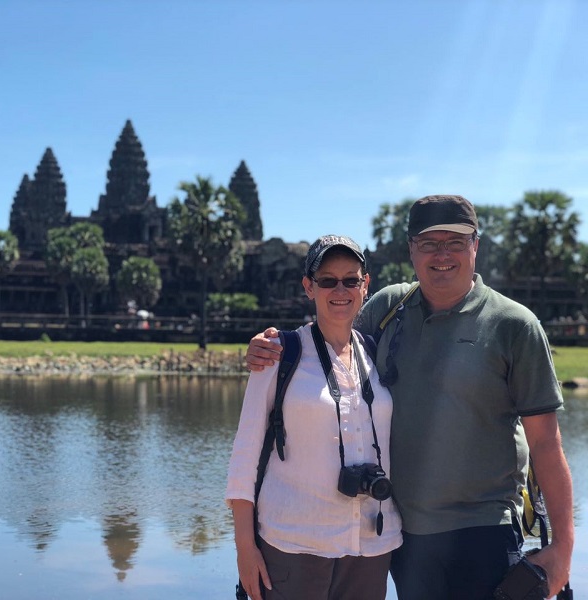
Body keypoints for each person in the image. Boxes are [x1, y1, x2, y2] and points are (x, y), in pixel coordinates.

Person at [245, 195, 574, 599]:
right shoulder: (388, 308)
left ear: (475, 245)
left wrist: (563, 545)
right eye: (428, 243)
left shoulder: (514, 325)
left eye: (455, 242)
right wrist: (270, 345)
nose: (442, 255)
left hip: (484, 528)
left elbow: (546, 442)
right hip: (405, 534)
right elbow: (330, 332)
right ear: (411, 249)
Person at [226, 235, 402, 600]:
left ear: (365, 285)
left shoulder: (375, 354)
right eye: (327, 280)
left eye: (351, 280)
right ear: (309, 287)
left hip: (370, 542)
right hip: (295, 542)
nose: (341, 290)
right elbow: (244, 455)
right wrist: (245, 546)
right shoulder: (278, 354)